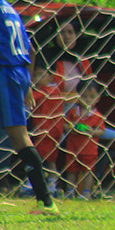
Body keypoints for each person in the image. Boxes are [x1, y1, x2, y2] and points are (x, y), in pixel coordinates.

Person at [0, 0, 59, 214]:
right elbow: (30, 50)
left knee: (20, 138)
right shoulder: (8, 7)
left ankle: (46, 202)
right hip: (15, 72)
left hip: (4, 73)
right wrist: (28, 84)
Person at [28, 60, 71, 197]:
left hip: (47, 131)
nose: (38, 78)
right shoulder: (55, 90)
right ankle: (51, 185)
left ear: (51, 77)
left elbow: (31, 99)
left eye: (42, 75)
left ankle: (33, 184)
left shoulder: (48, 91)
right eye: (35, 76)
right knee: (49, 159)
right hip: (50, 130)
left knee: (38, 157)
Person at [63, 79, 106, 198]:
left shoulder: (97, 116)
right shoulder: (73, 112)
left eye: (91, 97)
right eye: (84, 96)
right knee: (71, 170)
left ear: (98, 98)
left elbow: (101, 131)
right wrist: (72, 128)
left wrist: (91, 131)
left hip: (89, 149)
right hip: (73, 147)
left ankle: (86, 192)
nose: (87, 99)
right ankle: (70, 191)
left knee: (88, 171)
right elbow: (65, 124)